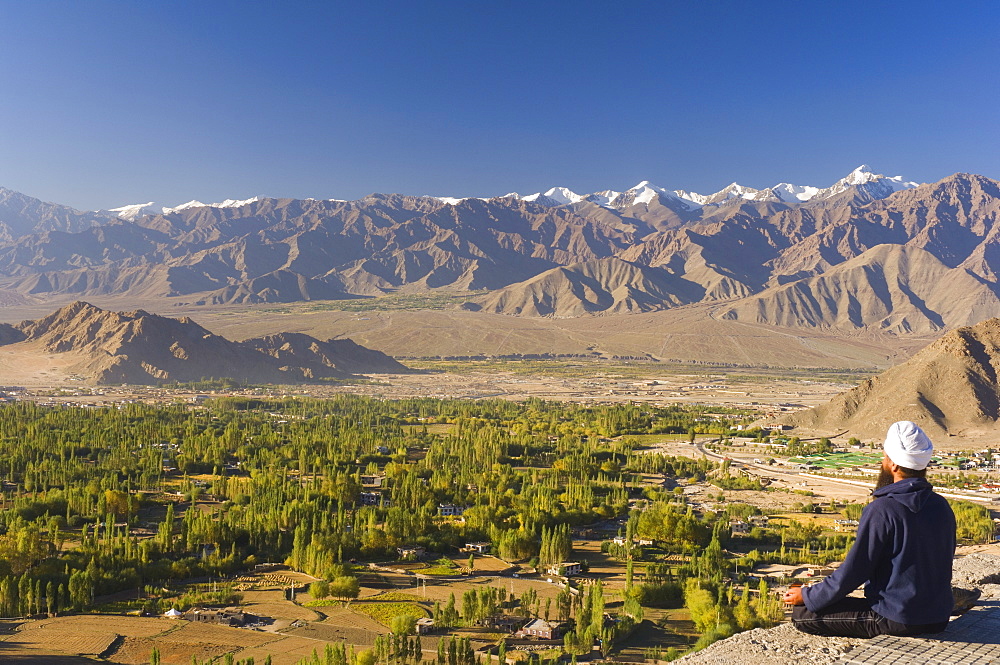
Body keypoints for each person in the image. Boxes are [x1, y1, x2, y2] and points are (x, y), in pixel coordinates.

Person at [784, 421, 956, 638]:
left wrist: (808, 596)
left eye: (885, 457)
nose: (883, 462)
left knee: (803, 614)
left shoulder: (882, 509)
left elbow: (854, 571)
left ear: (893, 464)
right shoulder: (941, 505)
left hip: (896, 619)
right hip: (939, 617)